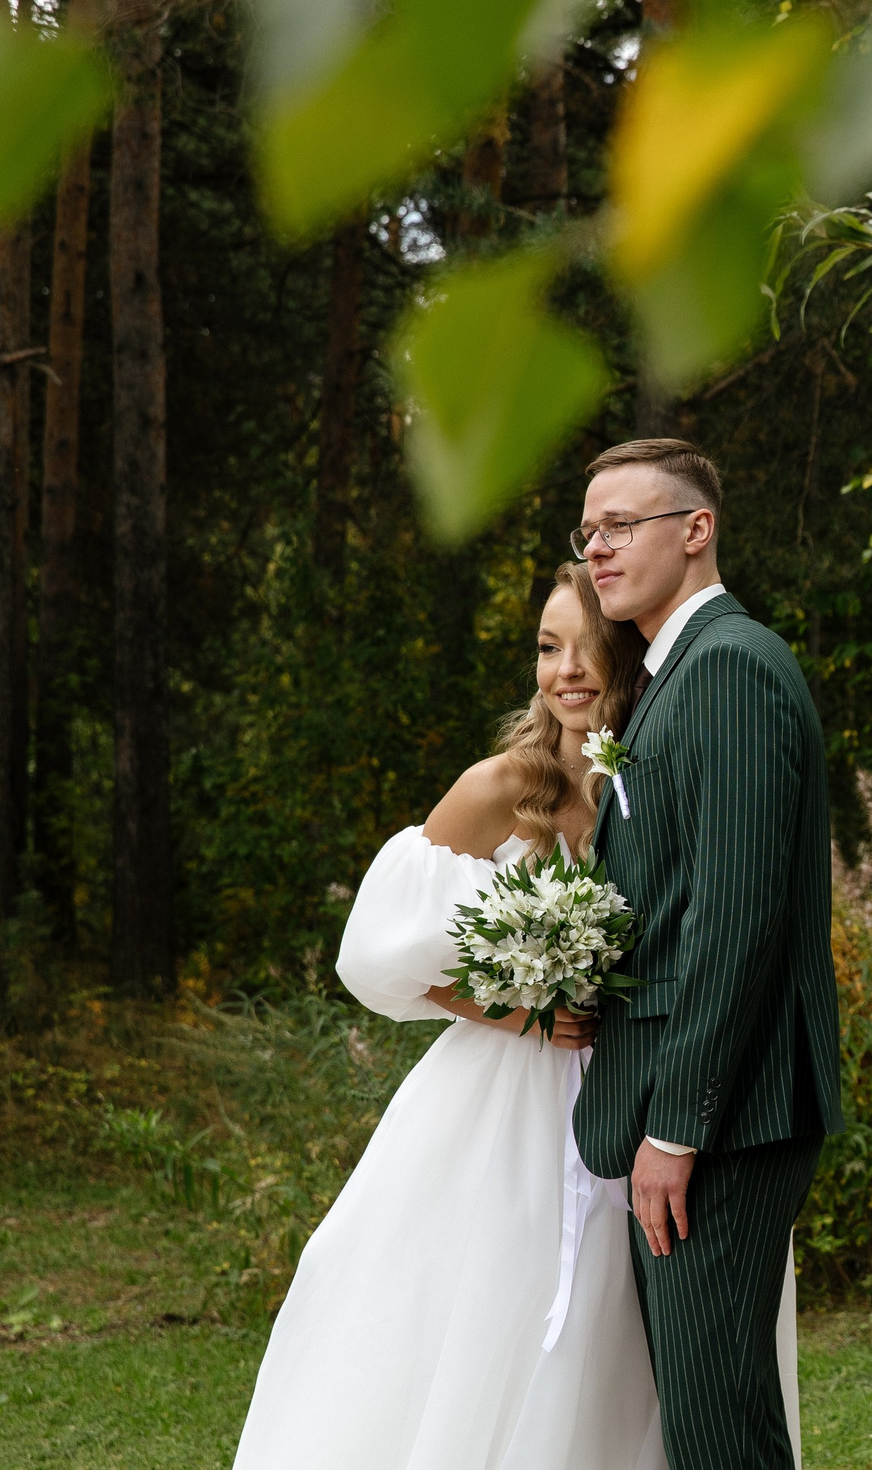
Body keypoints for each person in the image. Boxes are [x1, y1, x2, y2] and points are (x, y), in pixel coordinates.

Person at [231, 561, 804, 1470]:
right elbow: (379, 951)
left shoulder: (658, 778)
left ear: (634, 659)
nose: (566, 670)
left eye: (591, 648)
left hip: (640, 1090)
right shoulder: (499, 786)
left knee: (624, 1331)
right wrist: (510, 1009)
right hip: (509, 1105)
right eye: (547, 647)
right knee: (491, 1306)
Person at [572, 440, 845, 1470]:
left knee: (720, 1426)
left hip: (726, 1118)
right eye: (588, 532)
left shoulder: (728, 668)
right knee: (705, 1416)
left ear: (697, 531)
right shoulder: (675, 669)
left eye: (622, 525)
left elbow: (736, 922)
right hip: (706, 1114)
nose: (598, 549)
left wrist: (677, 1127)